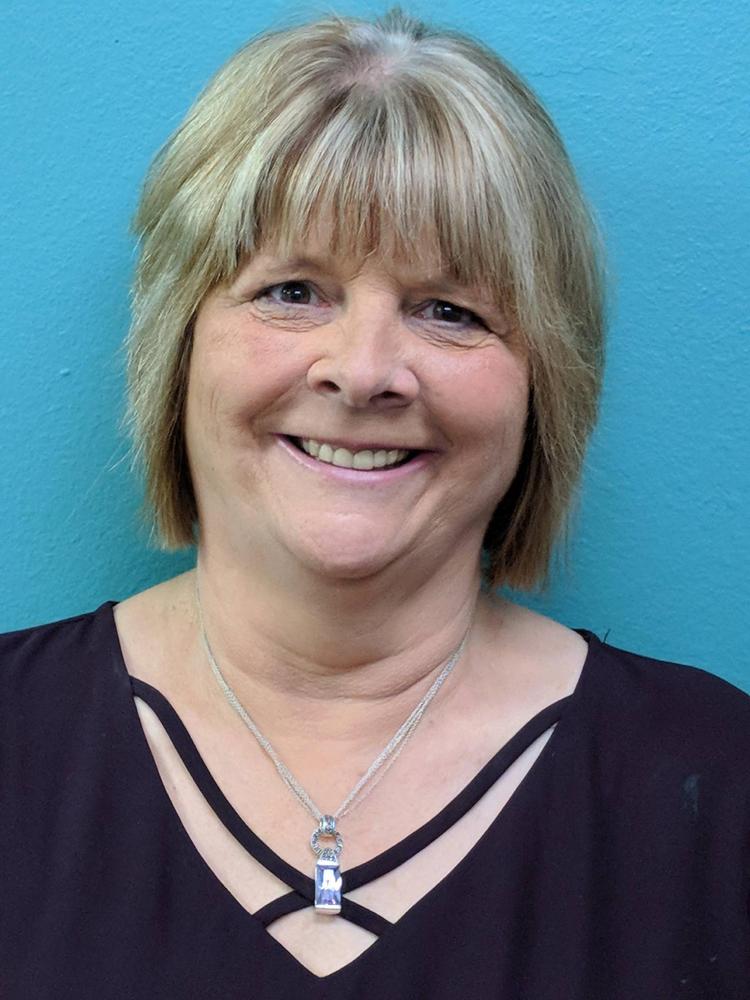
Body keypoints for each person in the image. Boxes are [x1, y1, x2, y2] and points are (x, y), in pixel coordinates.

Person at [2, 9, 749, 998]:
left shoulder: (719, 786)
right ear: (178, 345)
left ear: (546, 384)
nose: (362, 372)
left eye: (450, 310)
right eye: (293, 290)